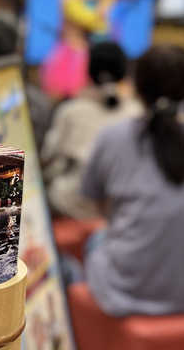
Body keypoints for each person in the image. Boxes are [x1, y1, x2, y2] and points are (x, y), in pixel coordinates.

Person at [80, 45, 184, 316]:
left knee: (95, 241)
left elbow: (98, 205)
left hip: (127, 293)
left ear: (136, 87)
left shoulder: (112, 137)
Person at [42, 41, 142, 219]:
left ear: (89, 71)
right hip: (121, 205)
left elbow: (50, 159)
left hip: (74, 205)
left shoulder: (70, 111)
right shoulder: (137, 112)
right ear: (124, 72)